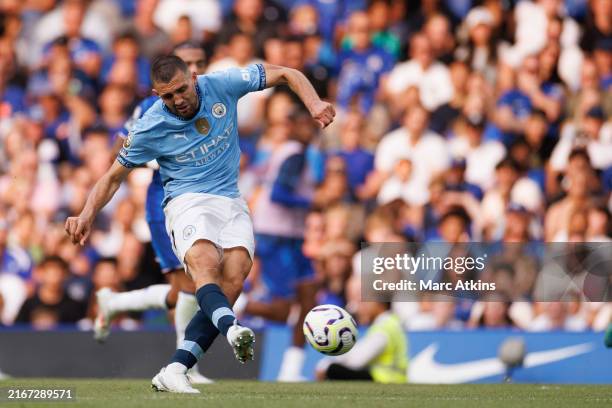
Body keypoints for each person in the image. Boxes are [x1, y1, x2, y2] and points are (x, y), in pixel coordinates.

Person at [65, 55, 335, 393]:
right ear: (156, 94)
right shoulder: (150, 125)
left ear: (194, 77)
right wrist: (86, 213)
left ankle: (176, 368)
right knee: (203, 267)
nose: (177, 100)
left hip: (231, 200)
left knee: (235, 277)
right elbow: (112, 177)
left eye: (181, 89)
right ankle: (233, 329)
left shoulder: (221, 85)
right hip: (186, 203)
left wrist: (313, 103)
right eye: (167, 96)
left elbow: (286, 72)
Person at [93, 42, 212, 385]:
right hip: (165, 201)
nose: (195, 68)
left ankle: (114, 303)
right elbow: (122, 151)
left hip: (205, 201)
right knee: (190, 286)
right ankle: (186, 366)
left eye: (200, 62)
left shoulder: (215, 97)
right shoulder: (153, 106)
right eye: (188, 62)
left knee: (191, 288)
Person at [315, 301, 408, 383]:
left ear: (378, 303)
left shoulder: (384, 328)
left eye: (365, 303)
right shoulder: (391, 322)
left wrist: (326, 366)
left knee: (333, 369)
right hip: (393, 378)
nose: (362, 308)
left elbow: (357, 361)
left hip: (383, 380)